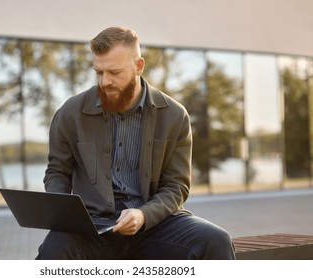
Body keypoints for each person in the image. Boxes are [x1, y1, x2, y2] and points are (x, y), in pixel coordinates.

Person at [36, 26, 235, 260]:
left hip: (153, 225)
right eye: (98, 72)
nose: (104, 81)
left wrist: (143, 215)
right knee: (53, 251)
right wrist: (64, 214)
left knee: (215, 241)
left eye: (114, 72)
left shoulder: (174, 115)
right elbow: (57, 172)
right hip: (91, 229)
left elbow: (176, 186)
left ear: (138, 66)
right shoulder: (70, 113)